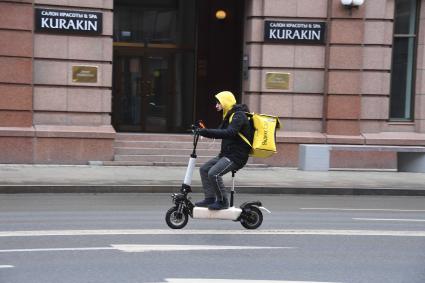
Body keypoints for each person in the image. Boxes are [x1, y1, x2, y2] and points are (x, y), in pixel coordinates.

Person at [195, 91, 253, 210]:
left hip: (236, 157)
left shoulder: (239, 116)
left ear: (226, 102)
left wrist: (206, 132)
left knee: (214, 173)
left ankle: (223, 201)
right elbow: (218, 133)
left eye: (218, 102)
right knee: (204, 169)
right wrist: (201, 130)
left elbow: (229, 133)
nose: (216, 105)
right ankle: (209, 198)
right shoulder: (228, 116)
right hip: (226, 154)